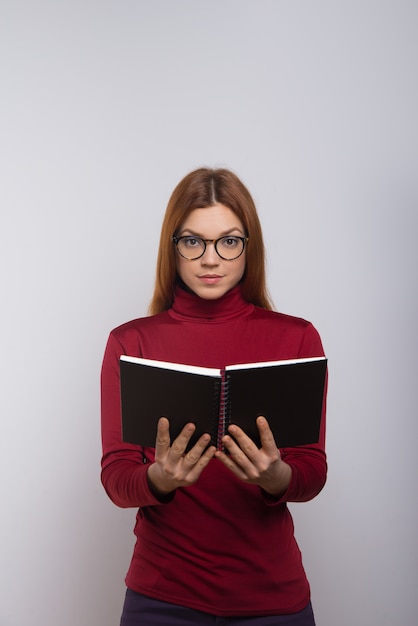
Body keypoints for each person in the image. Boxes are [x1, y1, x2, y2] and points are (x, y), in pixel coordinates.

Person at [100, 167, 327, 625]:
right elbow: (116, 477)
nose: (210, 259)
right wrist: (160, 480)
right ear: (174, 248)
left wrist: (277, 476)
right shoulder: (131, 343)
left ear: (249, 246)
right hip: (161, 598)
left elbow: (313, 471)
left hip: (271, 597)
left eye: (228, 241)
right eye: (193, 241)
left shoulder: (297, 338)